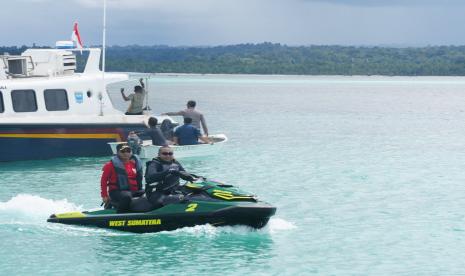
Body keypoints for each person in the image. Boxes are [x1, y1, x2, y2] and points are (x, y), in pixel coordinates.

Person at [100, 143, 144, 213]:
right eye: (123, 151)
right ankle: (120, 214)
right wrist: (104, 195)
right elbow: (103, 181)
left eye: (128, 151)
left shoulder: (133, 164)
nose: (126, 153)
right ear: (117, 152)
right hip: (116, 192)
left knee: (148, 193)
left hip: (133, 191)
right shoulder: (110, 165)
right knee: (126, 196)